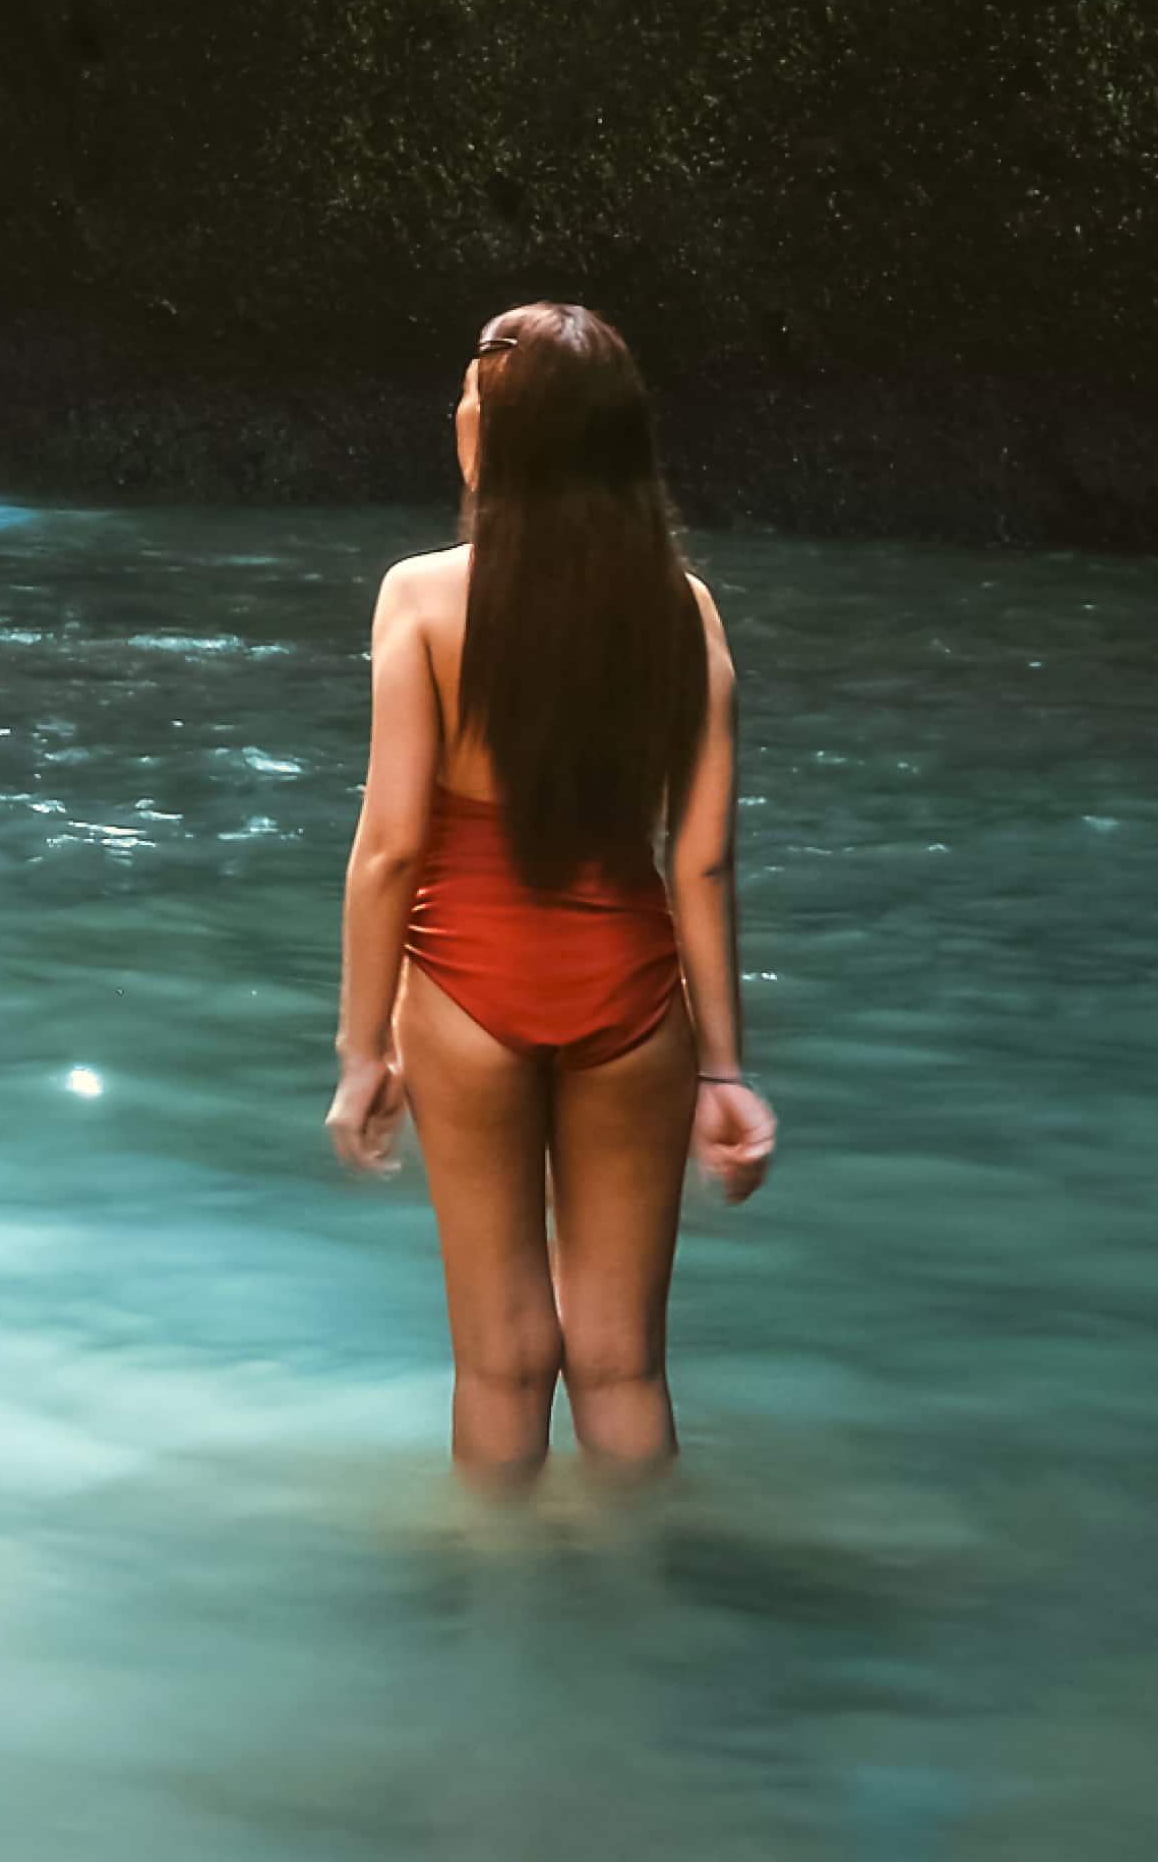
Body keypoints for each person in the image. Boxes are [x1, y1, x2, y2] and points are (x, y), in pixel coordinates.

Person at [326, 302, 778, 1479]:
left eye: (473, 400)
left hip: (466, 995)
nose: (455, 413)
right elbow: (701, 861)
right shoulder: (684, 610)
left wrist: (362, 1051)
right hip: (633, 1000)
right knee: (623, 1363)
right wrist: (724, 1070)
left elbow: (388, 849)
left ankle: (498, 1625)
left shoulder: (421, 598)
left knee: (499, 1363)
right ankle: (638, 1620)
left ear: (510, 438)